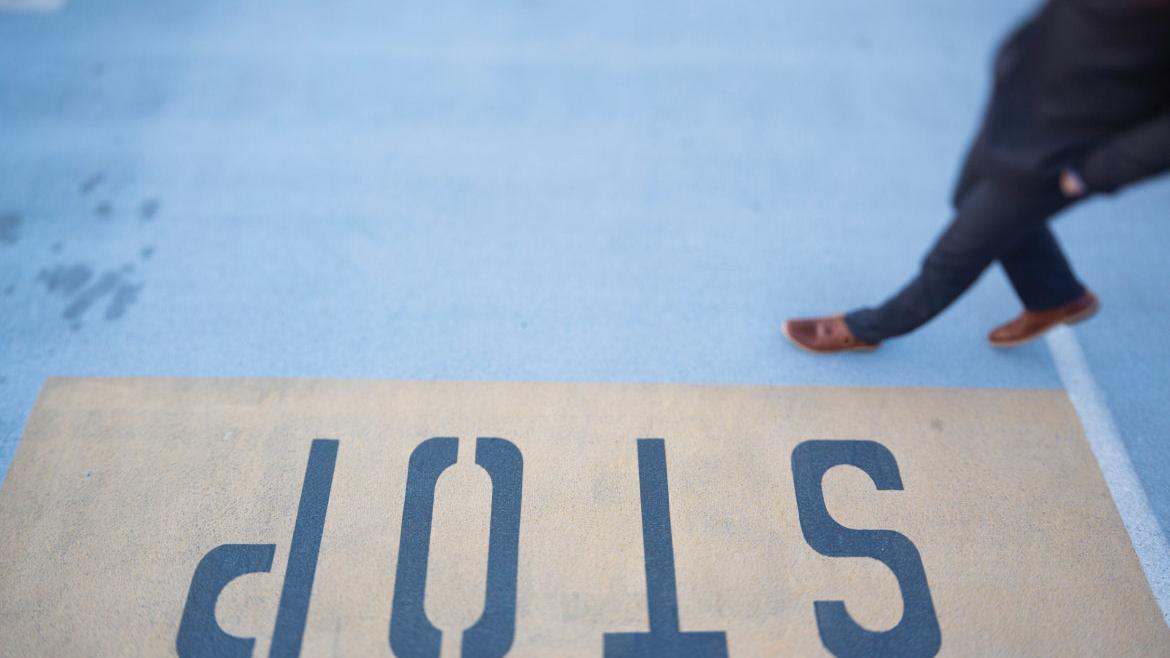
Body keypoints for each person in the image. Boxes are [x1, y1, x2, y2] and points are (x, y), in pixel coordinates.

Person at [784, 0, 1170, 354]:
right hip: (1018, 110)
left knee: (954, 256)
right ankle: (1056, 296)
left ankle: (867, 328)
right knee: (968, 197)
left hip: (1065, 152)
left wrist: (1095, 172)